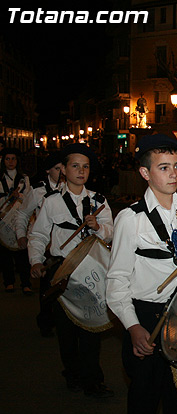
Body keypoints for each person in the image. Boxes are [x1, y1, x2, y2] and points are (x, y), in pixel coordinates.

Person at [106, 134, 177, 414]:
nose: (173, 174)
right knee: (144, 402)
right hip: (148, 317)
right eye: (163, 167)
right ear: (144, 173)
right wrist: (133, 326)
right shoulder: (131, 218)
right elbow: (116, 280)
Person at [28, 143, 114, 398]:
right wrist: (35, 261)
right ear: (64, 170)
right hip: (62, 275)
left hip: (91, 274)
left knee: (91, 327)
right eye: (75, 165)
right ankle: (72, 372)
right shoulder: (52, 202)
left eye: (85, 166)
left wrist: (98, 227)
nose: (81, 171)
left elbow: (112, 232)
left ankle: (92, 380)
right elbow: (39, 235)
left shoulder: (99, 201)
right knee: (66, 331)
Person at [15, 152, 65, 336]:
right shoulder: (37, 191)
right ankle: (45, 319)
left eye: (63, 168)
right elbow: (22, 214)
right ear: (48, 171)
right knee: (47, 287)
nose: (61, 173)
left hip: (63, 245)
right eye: (57, 169)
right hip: (44, 245)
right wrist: (21, 235)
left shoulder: (70, 189)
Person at [0, 147, 32, 294]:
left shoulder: (24, 178)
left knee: (22, 250)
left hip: (18, 217)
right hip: (3, 218)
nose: (10, 162)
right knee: (4, 252)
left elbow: (28, 197)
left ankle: (26, 283)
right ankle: (9, 282)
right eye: (7, 159)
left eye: (13, 158)